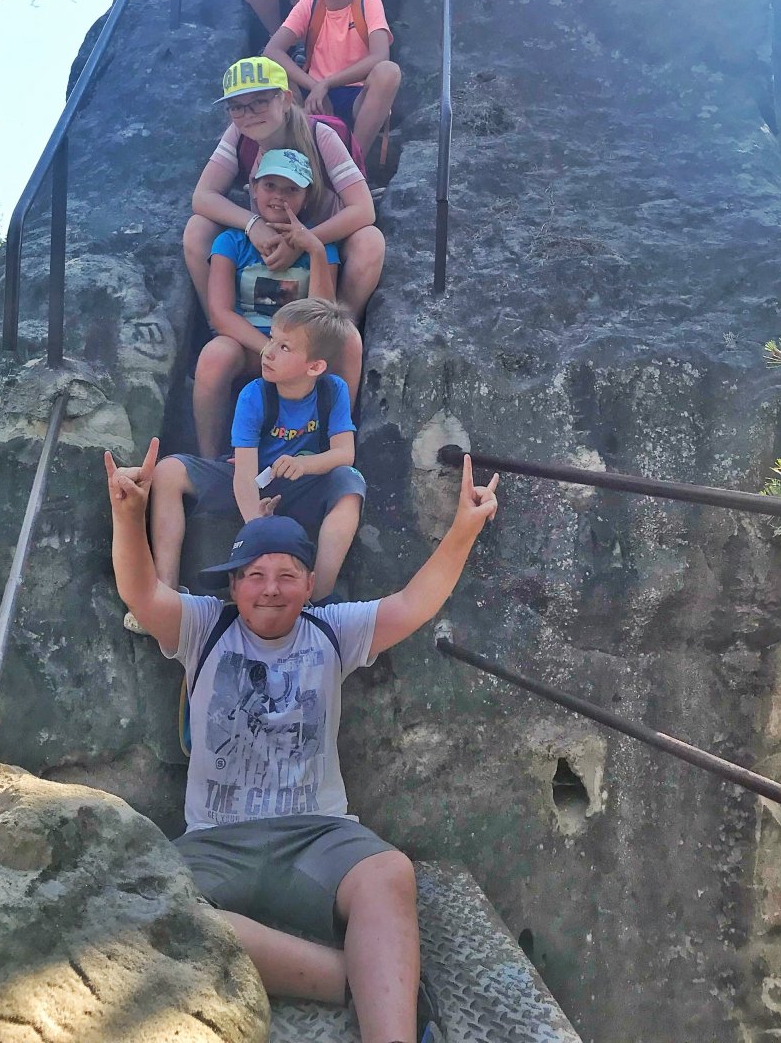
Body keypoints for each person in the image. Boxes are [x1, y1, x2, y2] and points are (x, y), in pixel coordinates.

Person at [106, 436, 499, 1043]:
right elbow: (141, 592)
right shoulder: (202, 626)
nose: (270, 588)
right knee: (149, 902)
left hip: (318, 834)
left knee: (388, 873)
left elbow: (414, 604)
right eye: (254, 576)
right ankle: (346, 976)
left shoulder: (333, 631)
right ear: (233, 585)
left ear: (310, 583)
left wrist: (463, 530)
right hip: (216, 842)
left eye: (286, 575)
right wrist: (129, 516)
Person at [143, 297, 364, 607]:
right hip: (252, 482)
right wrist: (257, 524)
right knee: (167, 471)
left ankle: (317, 598)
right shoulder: (254, 395)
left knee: (350, 482)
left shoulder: (333, 390)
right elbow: (245, 473)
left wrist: (306, 465)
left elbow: (344, 453)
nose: (268, 352)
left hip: (303, 484)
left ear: (315, 366)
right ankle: (165, 590)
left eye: (284, 347)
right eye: (271, 339)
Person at [186, 57, 384, 324]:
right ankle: (221, 327)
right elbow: (202, 196)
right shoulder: (239, 134)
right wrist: (253, 224)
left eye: (259, 102)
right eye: (237, 107)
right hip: (264, 239)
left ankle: (339, 330)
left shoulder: (321, 136)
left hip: (324, 244)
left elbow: (363, 209)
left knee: (370, 241)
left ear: (286, 99)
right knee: (197, 229)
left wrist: (301, 242)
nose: (248, 114)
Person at [194, 149, 362, 455]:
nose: (279, 196)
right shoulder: (231, 242)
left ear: (306, 197)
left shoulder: (322, 248)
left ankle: (334, 446)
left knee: (349, 338)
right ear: (254, 188)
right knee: (214, 356)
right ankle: (210, 457)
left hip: (302, 345)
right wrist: (270, 349)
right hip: (248, 342)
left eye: (291, 190)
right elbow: (220, 313)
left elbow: (322, 315)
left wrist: (315, 251)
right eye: (270, 185)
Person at [263, 0, 401, 168]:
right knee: (268, 70)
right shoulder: (309, 4)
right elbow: (272, 51)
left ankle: (352, 166)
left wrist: (326, 84)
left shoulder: (368, 2)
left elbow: (380, 55)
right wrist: (314, 85)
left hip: (356, 97)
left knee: (388, 71)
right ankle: (287, 160)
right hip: (312, 96)